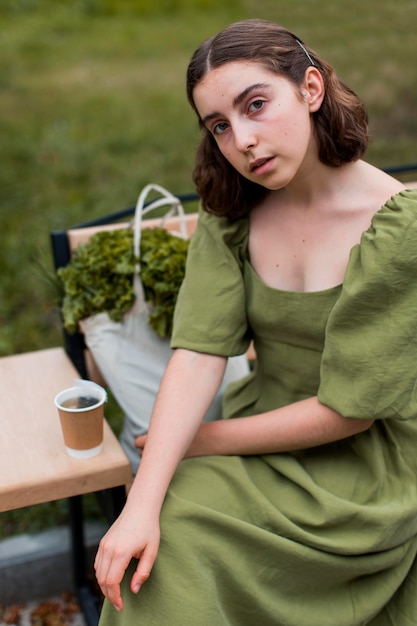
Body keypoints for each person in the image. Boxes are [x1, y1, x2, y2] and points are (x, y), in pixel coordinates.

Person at [95, 19, 417, 625]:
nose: (241, 139)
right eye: (219, 125)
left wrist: (204, 441)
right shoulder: (233, 213)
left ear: (312, 88)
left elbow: (349, 410)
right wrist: (141, 500)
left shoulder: (399, 231)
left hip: (366, 467)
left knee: (182, 525)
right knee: (159, 544)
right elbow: (198, 353)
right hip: (262, 429)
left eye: (256, 105)